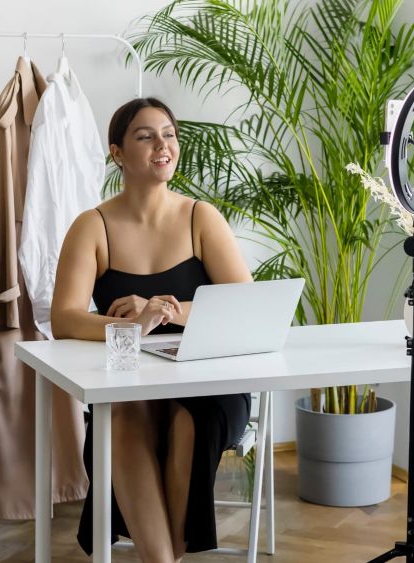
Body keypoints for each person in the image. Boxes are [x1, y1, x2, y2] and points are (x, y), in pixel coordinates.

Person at [51, 97, 253, 563]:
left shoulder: (201, 217)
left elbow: (245, 305)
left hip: (206, 385)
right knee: (123, 418)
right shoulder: (93, 226)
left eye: (169, 134)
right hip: (130, 381)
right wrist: (133, 326)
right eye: (145, 136)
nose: (162, 145)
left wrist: (166, 309)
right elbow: (64, 317)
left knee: (187, 425)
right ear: (117, 153)